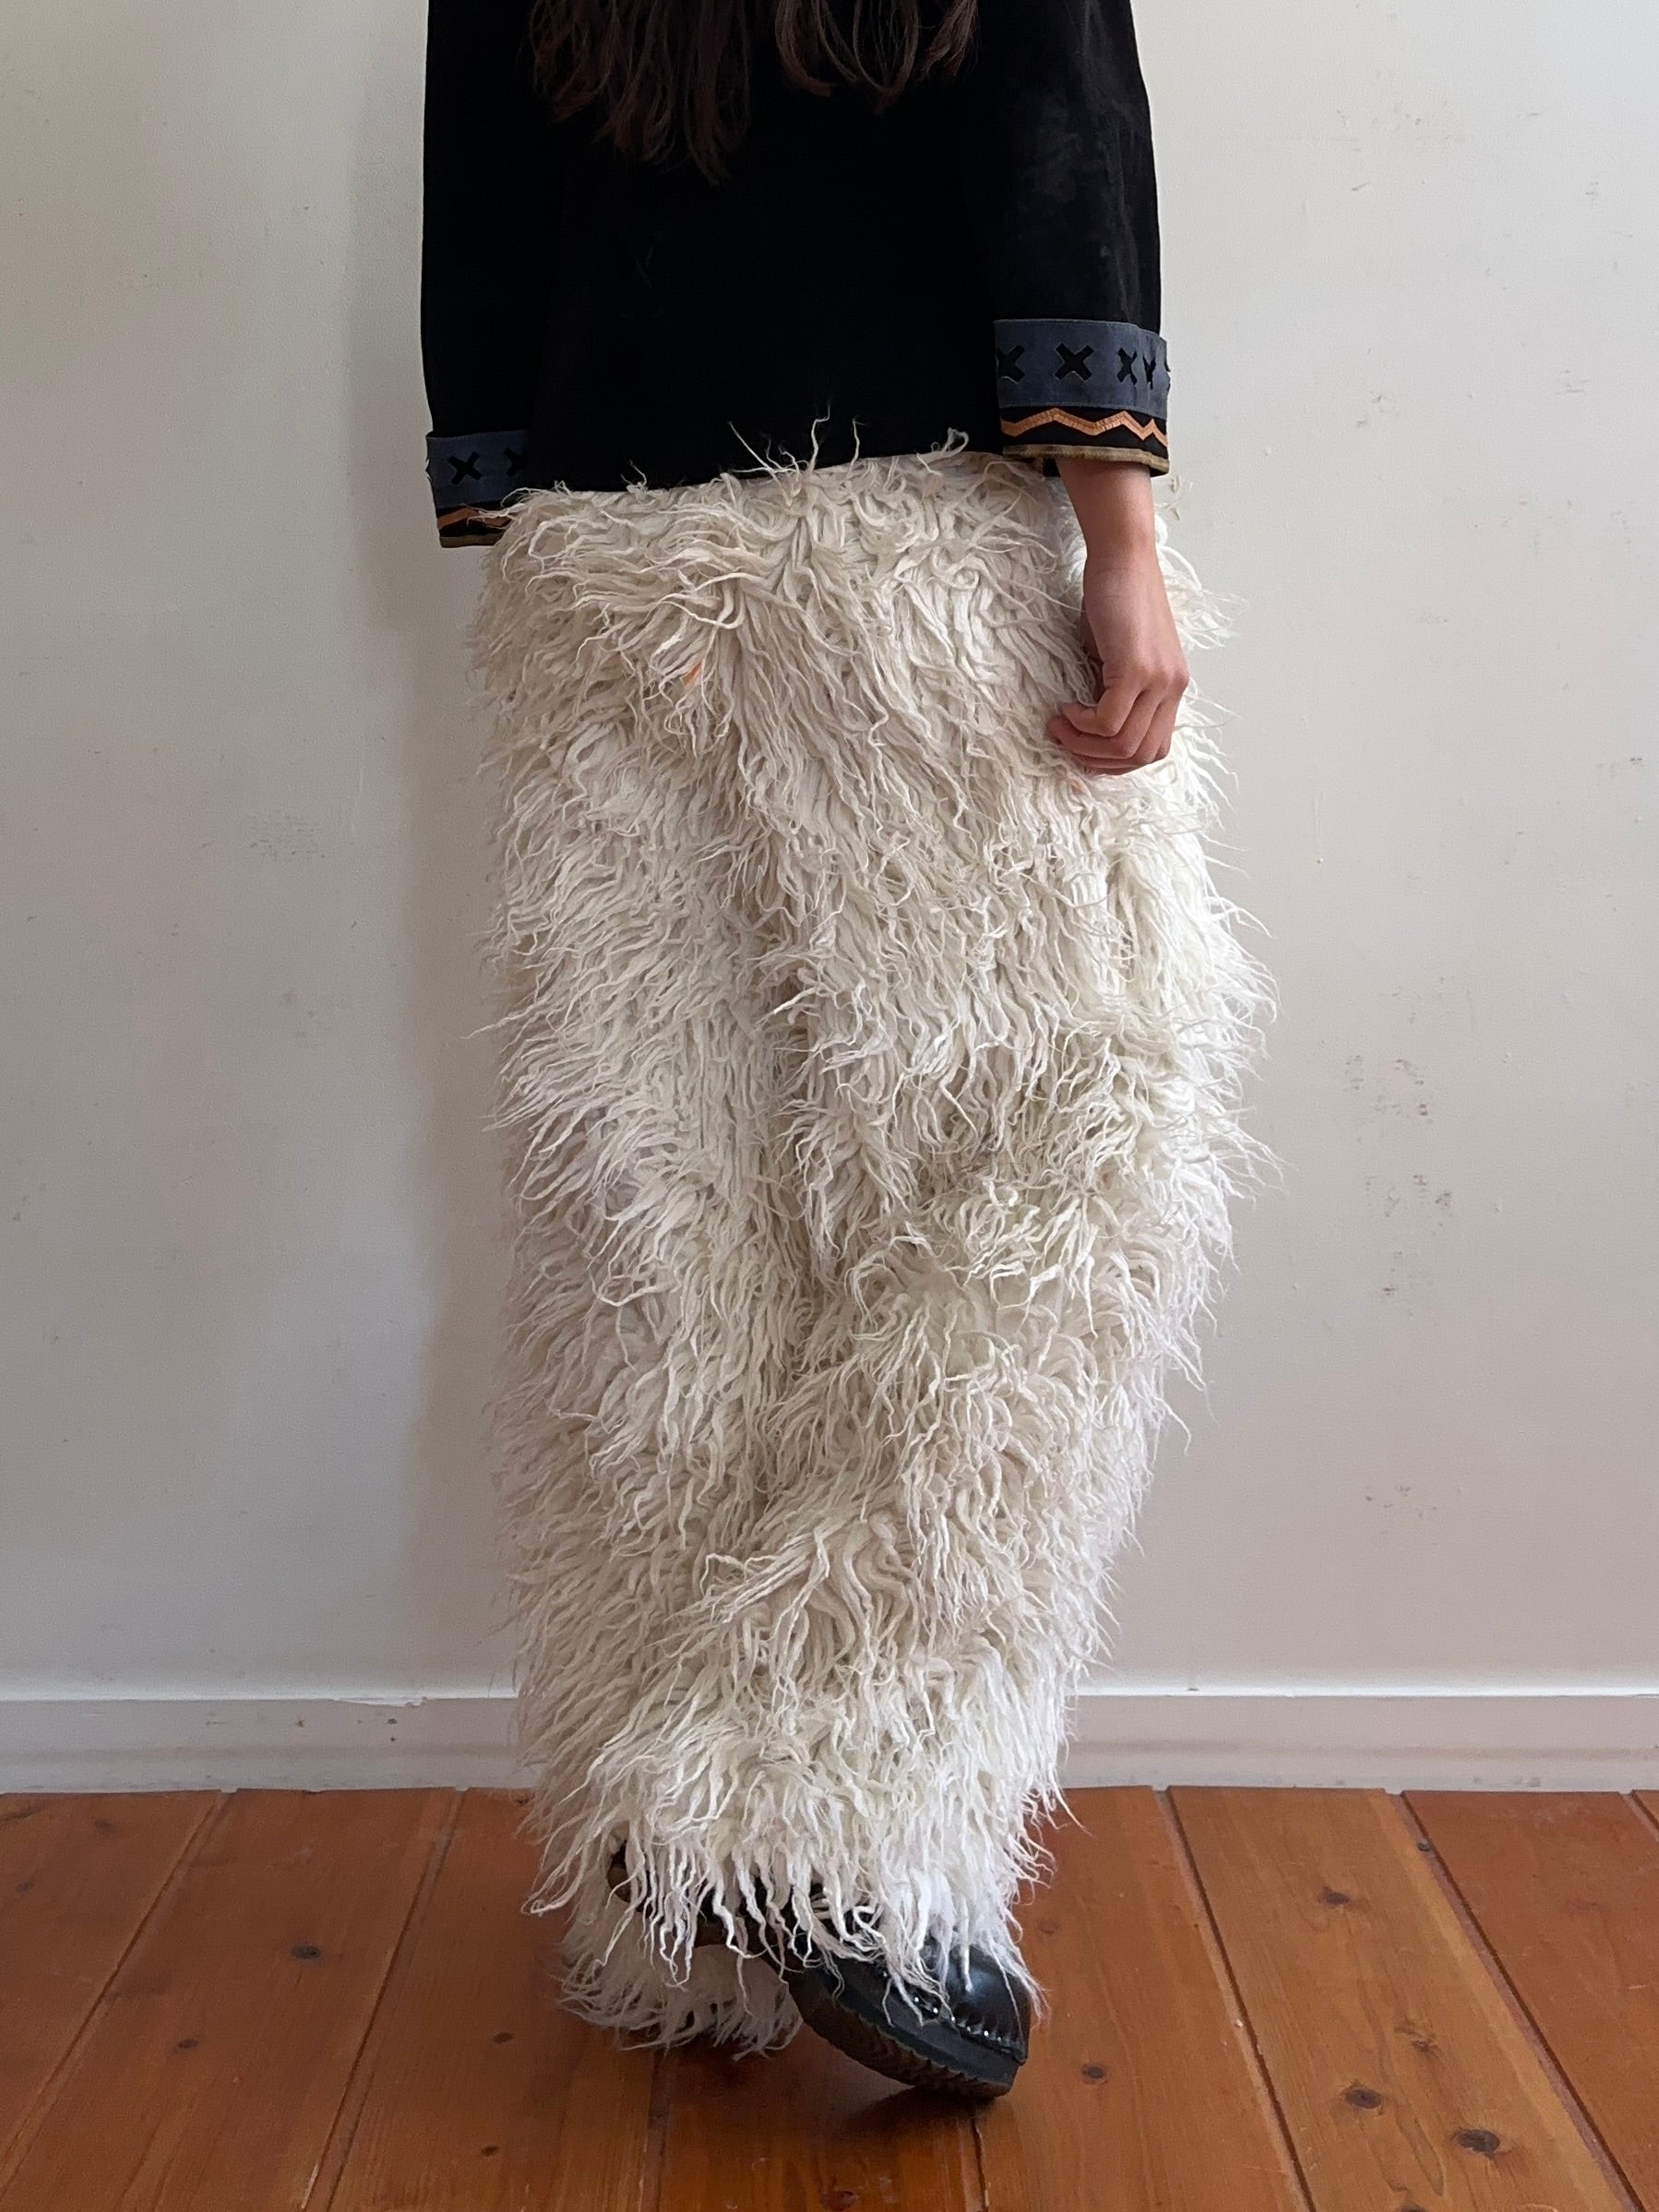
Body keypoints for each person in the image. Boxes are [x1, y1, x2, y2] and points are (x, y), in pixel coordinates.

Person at [421, 0, 1262, 2098]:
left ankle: (675, 1901)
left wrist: (522, 493)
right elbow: (1053, 134)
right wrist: (1120, 539)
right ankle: (816, 1811)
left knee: (665, 1224)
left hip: (594, 580)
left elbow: (483, 200)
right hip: (900, 566)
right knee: (1073, 1130)